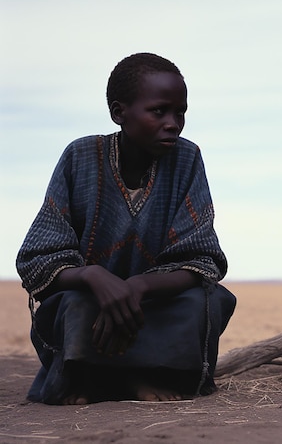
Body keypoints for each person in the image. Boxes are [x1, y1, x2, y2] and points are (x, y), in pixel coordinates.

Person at [16, 52, 236, 405]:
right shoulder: (80, 156)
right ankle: (88, 377)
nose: (173, 123)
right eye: (159, 111)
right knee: (73, 305)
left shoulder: (187, 158)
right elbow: (37, 261)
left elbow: (202, 258)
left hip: (156, 303)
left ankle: (144, 375)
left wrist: (138, 286)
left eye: (180, 112)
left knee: (206, 300)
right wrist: (94, 278)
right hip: (90, 302)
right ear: (120, 113)